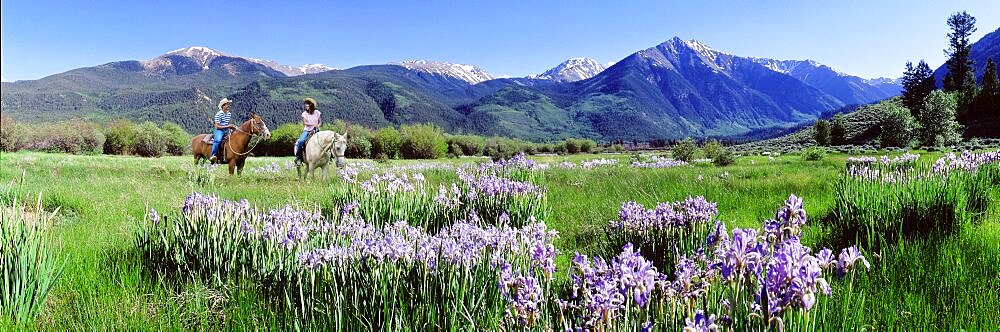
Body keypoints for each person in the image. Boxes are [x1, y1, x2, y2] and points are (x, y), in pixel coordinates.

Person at [210, 98, 237, 162]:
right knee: (218, 140)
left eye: (229, 105)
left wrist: (231, 127)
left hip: (226, 130)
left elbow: (227, 123)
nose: (228, 106)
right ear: (223, 106)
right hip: (219, 130)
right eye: (227, 105)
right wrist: (228, 126)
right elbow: (217, 126)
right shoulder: (218, 114)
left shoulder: (229, 114)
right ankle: (212, 155)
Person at [295, 98, 321, 163]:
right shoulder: (304, 114)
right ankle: (299, 157)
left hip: (316, 129)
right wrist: (313, 124)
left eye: (307, 104)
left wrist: (317, 125)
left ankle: (328, 157)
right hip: (307, 130)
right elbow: (305, 123)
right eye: (305, 104)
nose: (305, 105)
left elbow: (320, 122)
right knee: (301, 141)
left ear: (311, 105)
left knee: (324, 141)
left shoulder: (317, 112)